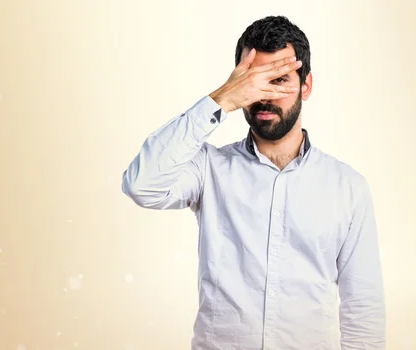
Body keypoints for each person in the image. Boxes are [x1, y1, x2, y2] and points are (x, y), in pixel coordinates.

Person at [122, 15, 386, 350]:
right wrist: (221, 100)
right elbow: (141, 185)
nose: (265, 96)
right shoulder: (209, 168)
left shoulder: (348, 187)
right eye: (254, 82)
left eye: (279, 80)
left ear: (306, 86)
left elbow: (363, 307)